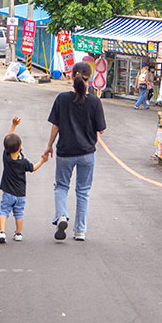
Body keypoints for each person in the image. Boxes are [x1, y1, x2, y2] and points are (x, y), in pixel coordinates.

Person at [43, 60, 106, 242]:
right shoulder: (94, 102)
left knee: (61, 186)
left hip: (65, 152)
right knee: (83, 191)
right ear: (90, 78)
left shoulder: (62, 99)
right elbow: (101, 129)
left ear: (71, 76)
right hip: (87, 153)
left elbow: (55, 126)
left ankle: (61, 216)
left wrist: (49, 146)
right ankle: (80, 231)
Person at [0, 116, 48, 243]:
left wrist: (13, 126)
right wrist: (42, 160)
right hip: (20, 194)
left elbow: (8, 139)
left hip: (7, 192)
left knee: (4, 211)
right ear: (20, 147)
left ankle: (2, 232)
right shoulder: (23, 162)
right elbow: (33, 168)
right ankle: (18, 233)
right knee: (19, 213)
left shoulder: (6, 157)